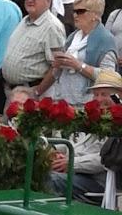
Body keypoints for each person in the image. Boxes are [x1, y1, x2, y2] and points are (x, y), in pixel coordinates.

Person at [50, 69, 122, 202]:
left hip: (101, 184)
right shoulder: (92, 117)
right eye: (96, 94)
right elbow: (73, 144)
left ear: (119, 96)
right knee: (36, 171)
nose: (99, 99)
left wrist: (71, 163)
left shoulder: (119, 123)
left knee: (50, 179)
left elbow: (106, 160)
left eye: (104, 94)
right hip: (77, 174)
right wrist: (54, 152)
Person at [39, 0, 117, 104]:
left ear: (95, 15)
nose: (75, 15)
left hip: (87, 104)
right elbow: (57, 72)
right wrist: (58, 64)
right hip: (62, 100)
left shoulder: (105, 39)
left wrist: (79, 65)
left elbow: (109, 77)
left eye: (80, 11)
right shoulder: (73, 37)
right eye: (74, 11)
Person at [1, 0, 66, 98]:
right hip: (13, 91)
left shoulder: (52, 27)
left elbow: (57, 66)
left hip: (31, 93)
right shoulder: (25, 20)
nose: (30, 0)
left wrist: (36, 92)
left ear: (48, 1)